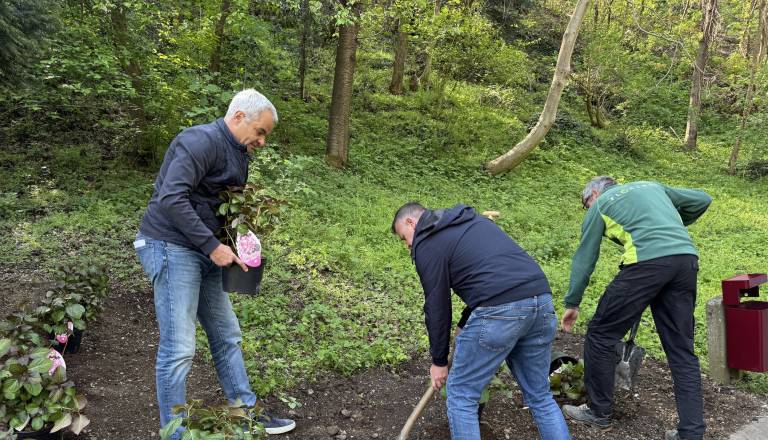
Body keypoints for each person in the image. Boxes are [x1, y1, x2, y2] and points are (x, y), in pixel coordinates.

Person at [133, 89, 295, 437]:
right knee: (179, 349)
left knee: (226, 336)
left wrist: (240, 240)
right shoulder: (199, 141)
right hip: (170, 245)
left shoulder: (239, 155)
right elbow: (172, 197)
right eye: (261, 131)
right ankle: (174, 433)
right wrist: (212, 246)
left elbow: (221, 205)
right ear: (239, 117)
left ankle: (245, 413)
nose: (263, 141)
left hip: (203, 251)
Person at [392, 202, 571, 440]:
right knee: (540, 396)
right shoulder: (472, 222)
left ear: (412, 223)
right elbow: (489, 277)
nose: (408, 246)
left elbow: (437, 305)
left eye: (405, 238)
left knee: (461, 395)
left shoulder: (427, 241)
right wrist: (466, 321)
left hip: (500, 310)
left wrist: (438, 361)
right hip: (541, 302)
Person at [560, 177, 712, 440]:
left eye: (586, 204)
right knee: (681, 351)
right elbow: (702, 199)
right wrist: (668, 226)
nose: (588, 209)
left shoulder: (600, 205)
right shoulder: (652, 187)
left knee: (600, 335)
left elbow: (585, 258)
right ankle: (691, 433)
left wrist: (572, 303)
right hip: (685, 261)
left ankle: (599, 412)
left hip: (645, 265)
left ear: (594, 193)